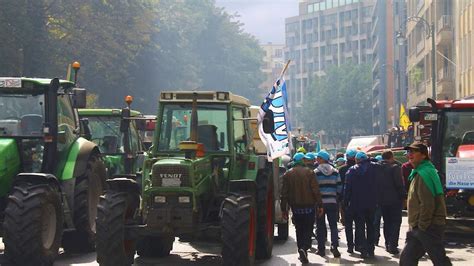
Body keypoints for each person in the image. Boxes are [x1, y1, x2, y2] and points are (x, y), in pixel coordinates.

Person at [400, 142, 452, 266]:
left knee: (439, 259)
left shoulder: (424, 174)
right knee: (407, 259)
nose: (410, 154)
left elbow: (428, 204)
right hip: (420, 226)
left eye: (414, 152)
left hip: (427, 226)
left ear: (424, 155)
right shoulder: (421, 171)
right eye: (409, 152)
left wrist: (421, 226)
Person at [281, 152, 323, 264]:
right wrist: (320, 205)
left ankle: (301, 249)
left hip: (295, 207)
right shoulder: (310, 173)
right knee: (308, 228)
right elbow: (316, 190)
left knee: (299, 229)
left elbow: (284, 194)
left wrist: (283, 209)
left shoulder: (287, 174)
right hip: (309, 206)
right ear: (302, 161)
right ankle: (304, 247)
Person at [345, 151, 377, 259]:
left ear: (356, 160)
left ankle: (363, 249)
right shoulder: (375, 168)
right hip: (372, 202)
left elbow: (347, 188)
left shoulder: (352, 170)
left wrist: (346, 202)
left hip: (357, 203)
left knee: (360, 226)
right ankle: (371, 249)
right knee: (371, 226)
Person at [375, 150, 405, 254]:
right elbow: (399, 184)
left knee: (387, 222)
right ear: (391, 157)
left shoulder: (376, 168)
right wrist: (403, 196)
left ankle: (387, 243)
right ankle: (393, 244)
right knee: (396, 222)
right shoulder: (394, 168)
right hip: (394, 200)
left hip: (381, 200)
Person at [313, 150, 342, 258]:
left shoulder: (316, 172)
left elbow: (314, 188)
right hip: (332, 202)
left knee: (320, 226)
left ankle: (321, 249)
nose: (316, 160)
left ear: (321, 159)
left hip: (320, 204)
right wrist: (336, 197)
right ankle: (334, 246)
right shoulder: (335, 171)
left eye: (318, 158)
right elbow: (339, 187)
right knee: (333, 226)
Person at [339, 149, 357, 252]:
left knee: (348, 225)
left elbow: (339, 185)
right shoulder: (360, 169)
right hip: (359, 200)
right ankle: (358, 244)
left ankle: (350, 246)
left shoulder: (341, 169)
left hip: (345, 200)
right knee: (359, 224)